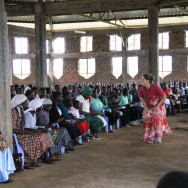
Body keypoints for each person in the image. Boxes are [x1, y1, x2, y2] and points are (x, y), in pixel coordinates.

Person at [139, 73, 172, 144]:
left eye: (143, 79)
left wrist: (157, 106)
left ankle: (158, 137)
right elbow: (142, 98)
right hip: (149, 107)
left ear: (148, 81)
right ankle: (151, 137)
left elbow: (164, 97)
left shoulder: (155, 87)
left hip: (159, 106)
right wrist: (145, 108)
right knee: (147, 118)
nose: (142, 80)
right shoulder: (142, 88)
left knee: (156, 118)